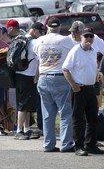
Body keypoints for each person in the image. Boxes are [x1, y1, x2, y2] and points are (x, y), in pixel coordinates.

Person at [33, 17, 74, 152]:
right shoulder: (65, 40)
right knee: (65, 112)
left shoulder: (39, 41)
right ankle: (66, 144)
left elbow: (36, 55)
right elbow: (74, 52)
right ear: (59, 27)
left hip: (43, 77)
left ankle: (48, 144)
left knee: (47, 114)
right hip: (60, 77)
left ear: (48, 27)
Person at [62, 27, 104, 156]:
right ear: (81, 37)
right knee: (78, 119)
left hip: (91, 88)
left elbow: (95, 69)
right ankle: (78, 146)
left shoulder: (94, 51)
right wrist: (73, 85)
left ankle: (90, 144)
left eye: (91, 36)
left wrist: (100, 83)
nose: (89, 39)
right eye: (86, 36)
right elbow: (65, 69)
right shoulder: (75, 50)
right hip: (79, 89)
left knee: (92, 118)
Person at [13, 22, 45, 140]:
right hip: (28, 75)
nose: (41, 34)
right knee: (24, 104)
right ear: (34, 30)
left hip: (18, 74)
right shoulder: (35, 42)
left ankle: (26, 129)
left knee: (25, 104)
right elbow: (39, 61)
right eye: (40, 32)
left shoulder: (20, 39)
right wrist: (37, 77)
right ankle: (19, 130)